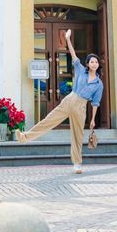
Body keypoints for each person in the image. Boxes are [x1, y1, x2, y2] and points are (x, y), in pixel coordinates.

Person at [16, 28, 103, 174]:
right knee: (49, 120)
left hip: (82, 106)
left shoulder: (99, 84)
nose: (94, 64)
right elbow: (73, 54)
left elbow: (95, 102)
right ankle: (25, 137)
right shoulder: (81, 70)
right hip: (70, 99)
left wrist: (93, 119)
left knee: (77, 135)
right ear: (87, 64)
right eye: (92, 62)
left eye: (96, 62)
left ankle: (77, 164)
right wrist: (67, 38)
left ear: (98, 65)